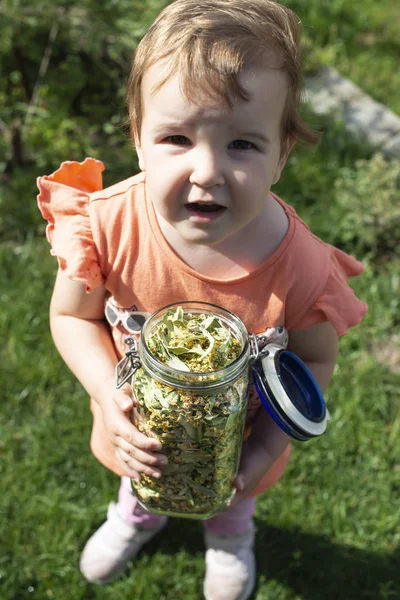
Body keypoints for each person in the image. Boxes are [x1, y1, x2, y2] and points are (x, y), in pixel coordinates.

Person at [37, 1, 368, 598]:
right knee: (139, 480)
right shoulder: (108, 226)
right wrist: (108, 394)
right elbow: (70, 316)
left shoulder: (301, 266)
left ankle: (230, 538)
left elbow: (315, 361)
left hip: (240, 446)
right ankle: (137, 517)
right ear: (137, 138)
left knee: (231, 501)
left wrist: (263, 453)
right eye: (177, 138)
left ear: (281, 155)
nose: (207, 170)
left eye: (243, 144)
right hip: (138, 430)